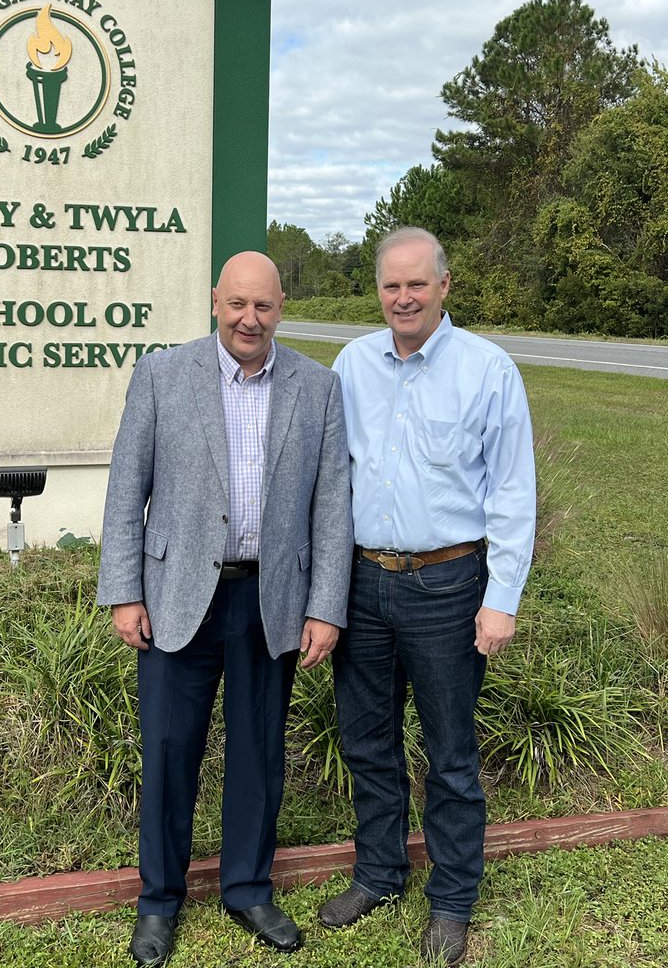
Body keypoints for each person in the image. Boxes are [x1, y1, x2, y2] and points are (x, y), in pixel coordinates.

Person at [98, 250, 353, 966]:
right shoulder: (162, 375)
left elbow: (332, 506)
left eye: (263, 306)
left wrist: (326, 606)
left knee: (258, 752)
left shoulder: (317, 387)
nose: (250, 318)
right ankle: (159, 901)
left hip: (270, 600)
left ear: (281, 308)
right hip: (176, 596)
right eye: (238, 303)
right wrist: (124, 591)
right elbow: (126, 489)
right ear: (216, 301)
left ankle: (247, 888)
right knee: (169, 752)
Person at [321, 227, 536, 966]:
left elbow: (513, 492)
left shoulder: (487, 370)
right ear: (378, 290)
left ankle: (452, 898)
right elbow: (331, 478)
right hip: (362, 581)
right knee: (367, 740)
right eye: (392, 285)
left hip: (448, 585)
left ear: (444, 286)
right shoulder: (352, 366)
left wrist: (501, 597)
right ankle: (379, 874)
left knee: (449, 752)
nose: (404, 297)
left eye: (417, 284)